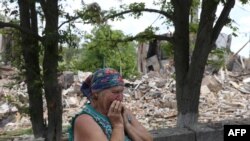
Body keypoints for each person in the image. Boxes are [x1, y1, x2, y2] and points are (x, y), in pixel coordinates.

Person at [68, 68, 153, 141]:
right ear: (96, 93)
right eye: (115, 92)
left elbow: (148, 139)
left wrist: (127, 125)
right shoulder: (84, 121)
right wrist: (118, 126)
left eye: (121, 92)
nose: (120, 97)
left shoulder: (123, 113)